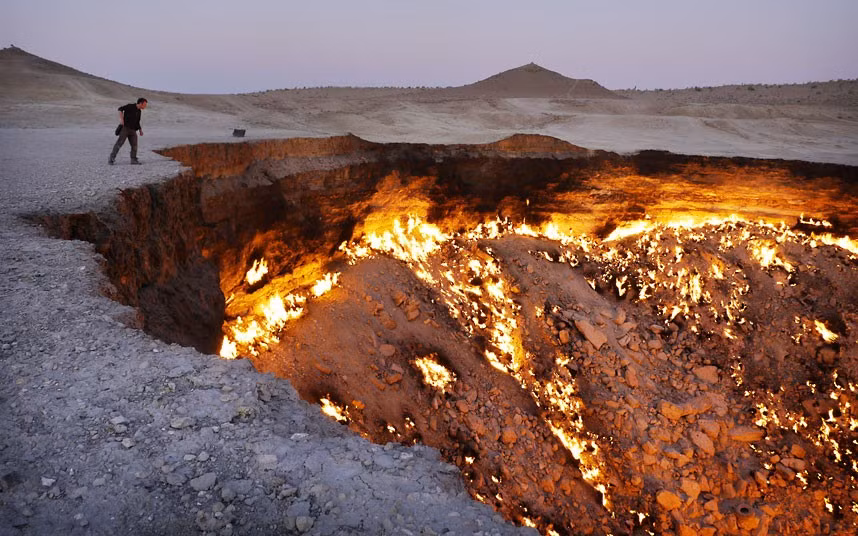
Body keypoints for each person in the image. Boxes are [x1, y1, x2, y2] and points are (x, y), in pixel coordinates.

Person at [109, 97, 148, 165]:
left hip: (133, 130)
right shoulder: (130, 106)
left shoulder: (139, 111)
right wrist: (121, 120)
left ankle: (133, 160)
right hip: (125, 128)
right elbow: (120, 109)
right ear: (140, 103)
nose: (145, 106)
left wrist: (140, 130)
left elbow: (137, 122)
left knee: (134, 145)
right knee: (119, 144)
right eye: (145, 104)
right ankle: (111, 158)